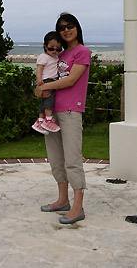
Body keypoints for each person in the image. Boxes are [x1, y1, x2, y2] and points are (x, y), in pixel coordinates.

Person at [35, 12, 91, 225]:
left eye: (70, 25)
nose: (66, 30)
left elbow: (70, 80)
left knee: (72, 159)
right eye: (61, 27)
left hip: (70, 111)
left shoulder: (82, 52)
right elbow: (43, 82)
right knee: (56, 159)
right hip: (52, 112)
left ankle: (78, 206)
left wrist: (44, 87)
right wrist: (40, 89)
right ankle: (62, 200)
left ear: (77, 27)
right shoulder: (58, 55)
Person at [32, 31, 62, 134]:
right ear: (45, 47)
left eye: (58, 49)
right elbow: (39, 68)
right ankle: (48, 119)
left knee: (44, 101)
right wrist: (39, 79)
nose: (55, 51)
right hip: (47, 80)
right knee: (50, 99)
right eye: (51, 48)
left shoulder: (56, 57)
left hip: (52, 80)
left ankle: (40, 121)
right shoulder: (44, 57)